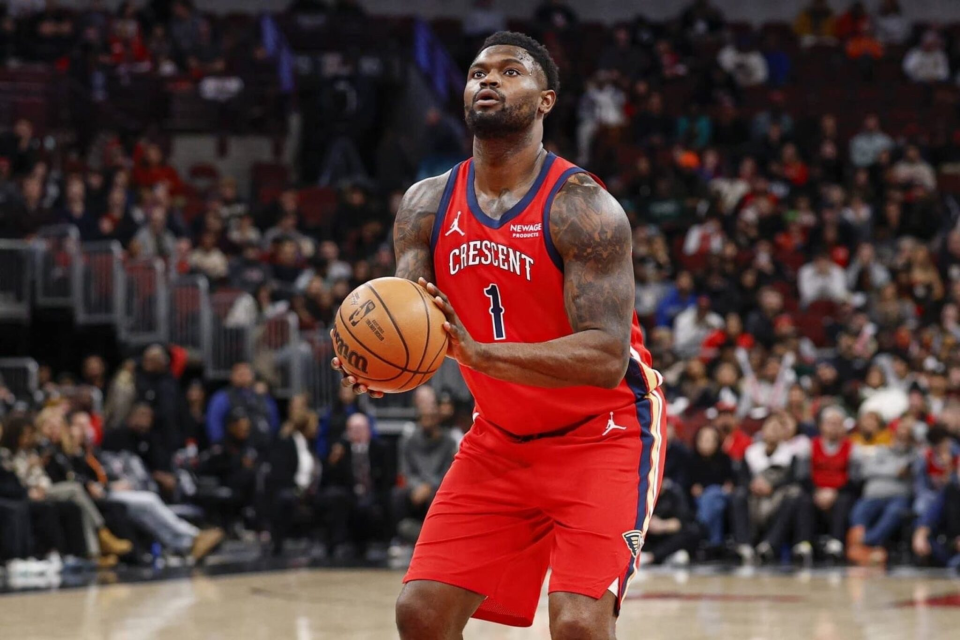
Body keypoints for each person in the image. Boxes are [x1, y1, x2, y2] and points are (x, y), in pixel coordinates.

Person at [332, 31, 666, 636]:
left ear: (545, 101)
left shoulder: (583, 206)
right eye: (478, 72)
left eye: (511, 71)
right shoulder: (425, 204)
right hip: (501, 438)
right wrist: (374, 360)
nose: (488, 79)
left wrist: (480, 353)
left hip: (603, 434)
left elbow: (605, 356)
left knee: (578, 625)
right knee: (420, 613)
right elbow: (415, 320)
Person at [321, 412, 391, 558]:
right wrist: (333, 460)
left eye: (361, 428)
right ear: (347, 432)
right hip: (349, 493)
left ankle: (381, 544)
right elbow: (328, 479)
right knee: (336, 497)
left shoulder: (380, 448)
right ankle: (336, 545)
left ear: (368, 430)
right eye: (353, 429)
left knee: (377, 501)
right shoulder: (340, 450)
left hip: (373, 491)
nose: (357, 432)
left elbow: (387, 477)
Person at [847, 423, 916, 566]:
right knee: (859, 511)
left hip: (897, 497)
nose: (901, 439)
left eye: (906, 437)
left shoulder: (914, 455)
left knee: (894, 512)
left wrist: (881, 470)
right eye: (899, 436)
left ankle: (865, 542)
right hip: (872, 496)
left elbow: (910, 475)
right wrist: (895, 472)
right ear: (893, 436)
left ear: (911, 439)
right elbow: (866, 470)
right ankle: (865, 548)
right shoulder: (880, 450)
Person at [803, 406, 856, 559]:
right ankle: (803, 543)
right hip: (816, 491)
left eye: (837, 424)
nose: (833, 428)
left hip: (840, 492)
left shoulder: (852, 448)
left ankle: (836, 543)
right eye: (830, 423)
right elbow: (803, 475)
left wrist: (835, 492)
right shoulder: (809, 446)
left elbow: (855, 479)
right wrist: (817, 492)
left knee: (844, 501)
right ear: (821, 426)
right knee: (802, 500)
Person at [206, 362, 280, 451]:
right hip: (234, 450)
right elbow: (214, 422)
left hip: (262, 449)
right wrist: (219, 444)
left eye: (246, 373)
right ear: (232, 376)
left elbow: (274, 422)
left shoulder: (263, 397)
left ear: (252, 376)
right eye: (240, 373)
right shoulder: (222, 397)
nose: (243, 376)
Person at [688, 425, 735, 549]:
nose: (706, 443)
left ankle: (701, 524)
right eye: (703, 439)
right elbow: (687, 483)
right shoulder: (690, 459)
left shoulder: (724, 458)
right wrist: (693, 488)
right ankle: (715, 544)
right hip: (700, 499)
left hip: (720, 494)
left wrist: (729, 486)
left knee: (713, 493)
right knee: (716, 505)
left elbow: (731, 481)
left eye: (709, 440)